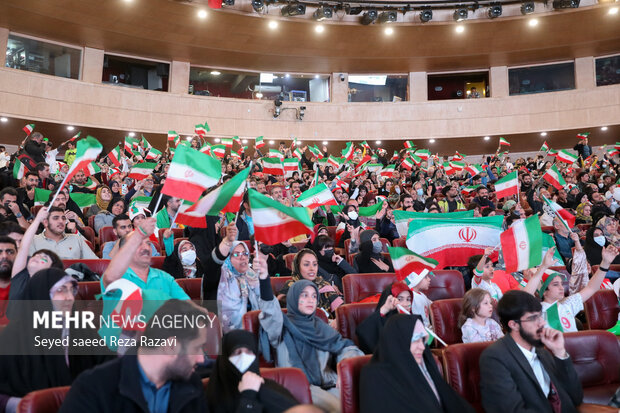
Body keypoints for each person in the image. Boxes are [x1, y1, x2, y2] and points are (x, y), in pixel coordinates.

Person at [58, 300, 210, 413]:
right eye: (196, 348)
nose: (201, 359)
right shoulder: (93, 388)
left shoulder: (191, 383)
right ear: (171, 346)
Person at [0, 268, 113, 412]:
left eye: (71, 290)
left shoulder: (80, 327)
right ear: (42, 295)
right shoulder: (14, 335)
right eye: (61, 290)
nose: (69, 297)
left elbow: (109, 363)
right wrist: (24, 406)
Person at [258, 266, 363, 413]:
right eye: (304, 295)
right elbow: (270, 311)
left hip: (329, 383)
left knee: (365, 401)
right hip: (299, 386)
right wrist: (264, 280)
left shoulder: (320, 325)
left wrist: (345, 368)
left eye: (314, 296)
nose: (310, 300)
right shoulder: (282, 325)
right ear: (294, 298)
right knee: (339, 408)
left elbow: (345, 348)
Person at [479, 290, 583, 413]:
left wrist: (560, 353)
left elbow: (576, 398)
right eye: (533, 318)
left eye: (540, 316)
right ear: (514, 325)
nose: (542, 323)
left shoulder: (542, 351)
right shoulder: (494, 358)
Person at [359, 314, 476, 413]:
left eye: (423, 340)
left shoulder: (425, 366)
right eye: (415, 340)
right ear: (399, 342)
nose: (421, 347)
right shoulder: (374, 376)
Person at [524, 244, 618, 332]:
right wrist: (543, 267)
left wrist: (605, 263)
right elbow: (525, 297)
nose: (561, 288)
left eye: (561, 284)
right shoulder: (536, 311)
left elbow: (591, 288)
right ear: (543, 292)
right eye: (555, 284)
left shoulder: (568, 304)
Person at [206, 330, 299, 413]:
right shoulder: (213, 397)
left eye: (249, 352)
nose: (244, 357)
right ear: (224, 358)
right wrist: (248, 396)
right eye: (236, 352)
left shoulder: (270, 388)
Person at [101, 216, 189, 297]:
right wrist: (129, 240)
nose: (127, 230)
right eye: (123, 227)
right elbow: (108, 268)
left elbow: (158, 261)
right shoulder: (117, 277)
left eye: (129, 226)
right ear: (115, 231)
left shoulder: (164, 277)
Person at [278, 249, 344, 319]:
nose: (312, 268)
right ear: (297, 267)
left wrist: (336, 322)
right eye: (306, 264)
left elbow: (341, 312)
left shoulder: (324, 286)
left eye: (315, 264)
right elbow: (281, 314)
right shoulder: (291, 286)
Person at [355, 281, 412, 354]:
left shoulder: (412, 319)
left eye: (408, 299)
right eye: (400, 299)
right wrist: (385, 308)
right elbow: (362, 330)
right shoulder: (382, 320)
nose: (406, 304)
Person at [29, 207, 97, 260]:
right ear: (46, 222)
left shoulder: (76, 238)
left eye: (63, 218)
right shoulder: (34, 240)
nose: (61, 221)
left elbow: (95, 263)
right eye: (56, 218)